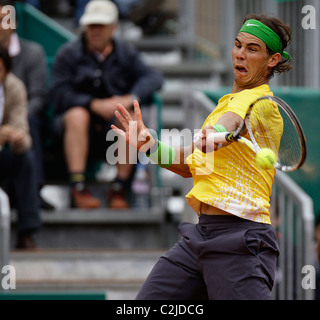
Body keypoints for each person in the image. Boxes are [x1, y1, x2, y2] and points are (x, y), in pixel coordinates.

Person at [112, 13, 292, 299]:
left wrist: (218, 132)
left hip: (241, 240)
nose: (241, 55)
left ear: (273, 59)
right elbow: (190, 166)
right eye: (237, 45)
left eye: (253, 49)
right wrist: (150, 146)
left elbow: (234, 121)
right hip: (200, 236)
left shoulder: (260, 102)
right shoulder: (222, 104)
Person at [50, 0, 163, 209]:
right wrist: (92, 104)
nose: (95, 31)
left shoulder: (126, 53)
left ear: (114, 27)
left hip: (111, 130)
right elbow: (58, 93)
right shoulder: (68, 53)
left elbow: (154, 77)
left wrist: (128, 98)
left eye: (100, 26)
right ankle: (78, 186)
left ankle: (119, 187)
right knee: (77, 115)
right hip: (71, 130)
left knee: (127, 115)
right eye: (92, 25)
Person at [0, 0, 55, 210]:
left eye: (2, 20)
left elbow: (39, 95)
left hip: (25, 118)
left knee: (30, 122)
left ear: (13, 23)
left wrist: (18, 121)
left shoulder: (32, 52)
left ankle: (33, 193)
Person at [0, 44, 41, 249]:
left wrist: (17, 138)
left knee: (25, 159)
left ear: (6, 71)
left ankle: (27, 232)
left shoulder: (14, 87)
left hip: (3, 154)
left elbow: (23, 131)